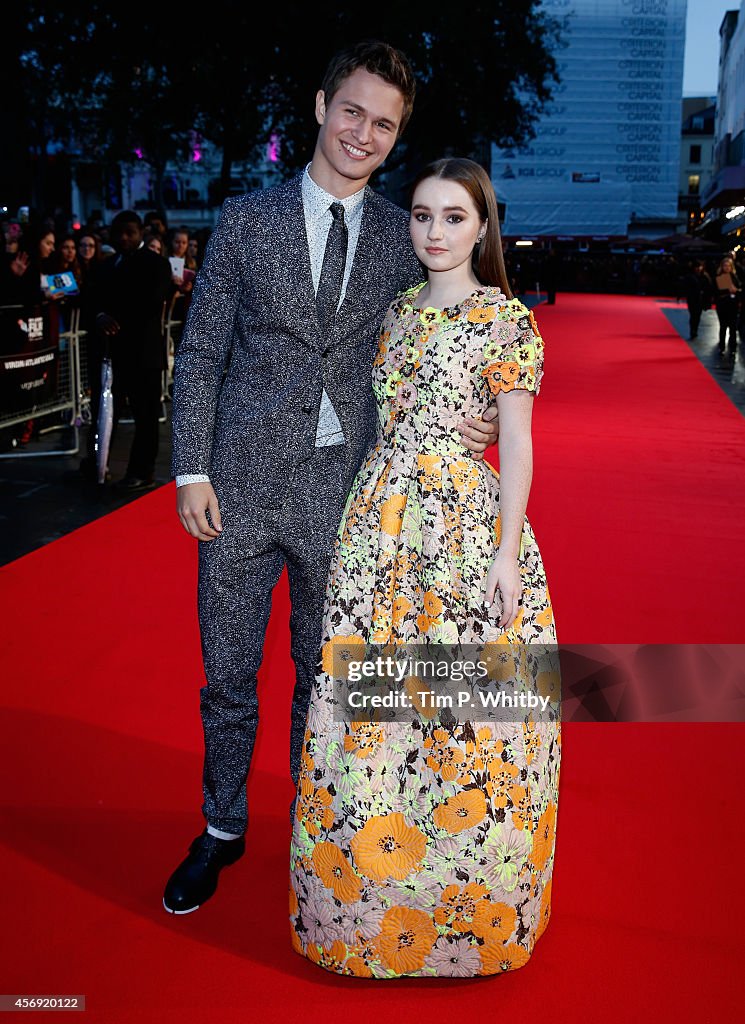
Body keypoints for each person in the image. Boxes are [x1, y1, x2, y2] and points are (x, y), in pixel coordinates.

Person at [164, 39, 500, 915]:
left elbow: (464, 318)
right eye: (352, 111)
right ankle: (221, 829)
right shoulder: (245, 220)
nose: (363, 133)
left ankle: (313, 829)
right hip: (233, 487)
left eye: (383, 124)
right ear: (320, 107)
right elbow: (199, 354)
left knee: (326, 681)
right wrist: (190, 469)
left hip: (348, 494)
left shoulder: (405, 232)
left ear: (395, 139)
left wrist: (491, 407)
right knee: (228, 675)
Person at [288, 157, 560, 979]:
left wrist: (507, 550)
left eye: (452, 217)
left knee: (472, 719)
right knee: (370, 714)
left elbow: (514, 439)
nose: (434, 232)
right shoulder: (393, 312)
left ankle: (468, 915)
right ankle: (366, 912)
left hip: (464, 528)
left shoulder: (506, 318)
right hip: (378, 529)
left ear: (482, 226)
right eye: (419, 215)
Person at [83, 210, 172, 488]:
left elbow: (152, 301)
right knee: (103, 412)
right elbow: (89, 299)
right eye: (119, 232)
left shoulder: (156, 264)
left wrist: (116, 317)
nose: (123, 238)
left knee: (145, 416)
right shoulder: (105, 265)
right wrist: (99, 316)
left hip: (142, 354)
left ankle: (141, 470)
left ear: (141, 233)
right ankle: (96, 464)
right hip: (111, 355)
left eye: (129, 233)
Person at [714, 255, 741, 356]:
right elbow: (717, 291)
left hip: (733, 306)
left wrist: (736, 290)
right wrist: (729, 290)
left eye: (729, 266)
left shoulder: (735, 277)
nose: (727, 267)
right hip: (723, 306)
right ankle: (721, 347)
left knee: (733, 328)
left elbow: (738, 289)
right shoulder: (719, 277)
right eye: (725, 265)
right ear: (722, 266)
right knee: (723, 327)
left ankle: (733, 348)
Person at [682, 259, 713, 340]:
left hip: (701, 299)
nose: (699, 268)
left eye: (700, 266)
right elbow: (685, 287)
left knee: (698, 315)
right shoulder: (689, 276)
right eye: (697, 267)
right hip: (692, 298)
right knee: (693, 315)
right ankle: (693, 330)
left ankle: (695, 329)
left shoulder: (705, 276)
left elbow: (709, 288)